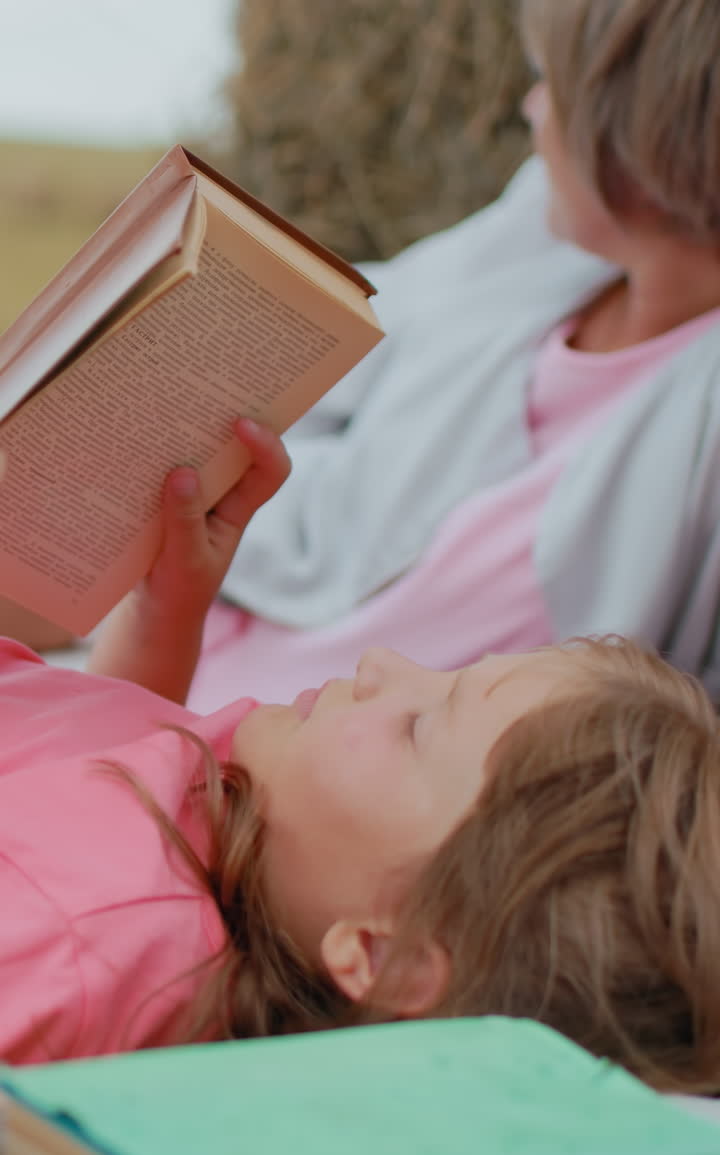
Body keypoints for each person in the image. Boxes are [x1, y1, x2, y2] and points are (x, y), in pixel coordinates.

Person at [3, 417, 720, 1097]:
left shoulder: (78, 934)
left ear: (382, 955)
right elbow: (70, 783)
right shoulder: (238, 819)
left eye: (418, 727)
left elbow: (67, 859)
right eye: (448, 675)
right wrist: (164, 615)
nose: (381, 666)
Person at [182, 0, 720, 711]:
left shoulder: (693, 425)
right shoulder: (539, 248)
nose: (531, 109)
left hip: (275, 756)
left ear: (638, 148)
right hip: (203, 630)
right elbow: (361, 316)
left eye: (551, 85)